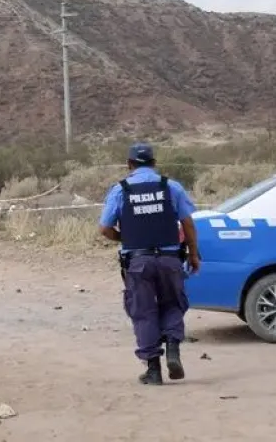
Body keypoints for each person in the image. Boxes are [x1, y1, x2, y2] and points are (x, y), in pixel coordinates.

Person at [98, 142, 201, 385]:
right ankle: (173, 350)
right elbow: (188, 224)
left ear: (129, 165)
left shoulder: (120, 190)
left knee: (143, 312)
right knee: (173, 304)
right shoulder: (171, 187)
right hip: (170, 259)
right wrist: (194, 254)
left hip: (138, 261)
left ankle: (153, 370)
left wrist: (126, 238)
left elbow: (104, 229)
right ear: (154, 164)